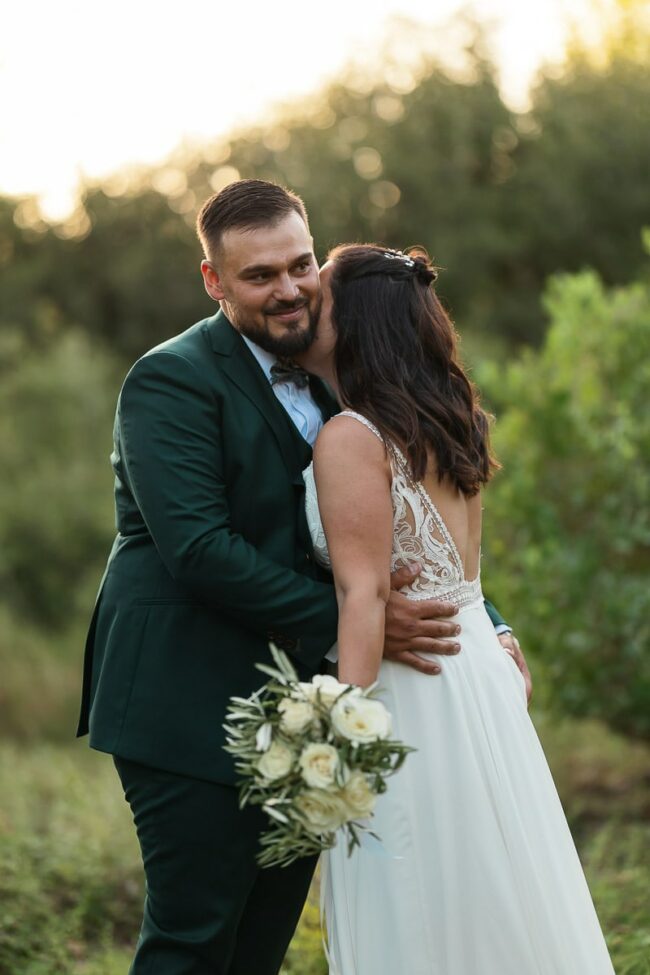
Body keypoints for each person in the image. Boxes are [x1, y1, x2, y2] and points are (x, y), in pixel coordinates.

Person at [76, 180, 519, 975]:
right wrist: (365, 616)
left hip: (306, 708)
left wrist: (487, 618)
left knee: (261, 945)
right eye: (259, 276)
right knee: (194, 938)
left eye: (301, 264)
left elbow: (410, 529)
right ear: (213, 280)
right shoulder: (169, 380)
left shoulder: (336, 368)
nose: (288, 289)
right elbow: (199, 548)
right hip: (187, 698)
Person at [298, 243, 614, 974]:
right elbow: (459, 574)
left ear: (353, 325)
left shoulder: (350, 437)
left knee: (421, 899)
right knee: (495, 886)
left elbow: (366, 593)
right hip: (475, 666)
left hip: (412, 689)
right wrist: (498, 628)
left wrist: (340, 729)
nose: (308, 308)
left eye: (323, 299)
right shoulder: (454, 418)